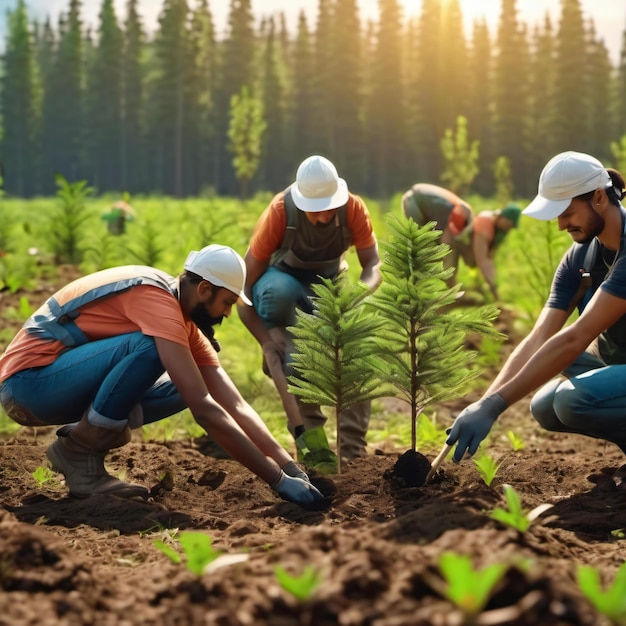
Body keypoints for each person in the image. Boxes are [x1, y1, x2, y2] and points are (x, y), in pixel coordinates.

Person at [0, 244, 324, 507]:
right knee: (149, 347)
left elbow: (233, 405)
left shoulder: (180, 318)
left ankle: (86, 448)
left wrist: (288, 465)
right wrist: (277, 482)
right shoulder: (155, 299)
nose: (227, 314)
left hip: (54, 385)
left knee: (186, 377)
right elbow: (205, 411)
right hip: (27, 385)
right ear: (205, 288)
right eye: (226, 302)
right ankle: (80, 450)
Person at [446, 151, 626, 464]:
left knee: (573, 400)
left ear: (598, 197)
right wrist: (485, 402)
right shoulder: (580, 257)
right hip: (619, 362)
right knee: (545, 405)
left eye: (567, 212)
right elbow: (540, 335)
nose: (560, 225)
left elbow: (576, 337)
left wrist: (496, 406)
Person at [237, 155, 382, 462]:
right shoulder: (280, 212)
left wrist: (357, 293)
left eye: (329, 207)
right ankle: (315, 453)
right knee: (296, 358)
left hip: (328, 287)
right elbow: (243, 289)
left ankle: (352, 454)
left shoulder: (353, 209)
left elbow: (373, 264)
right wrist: (266, 341)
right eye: (314, 211)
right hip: (281, 290)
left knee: (356, 357)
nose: (323, 217)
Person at [402, 183, 521, 299]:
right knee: (425, 248)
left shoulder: (465, 214)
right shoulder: (460, 218)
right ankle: (417, 288)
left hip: (418, 197)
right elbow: (448, 243)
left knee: (434, 250)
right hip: (414, 202)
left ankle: (429, 287)